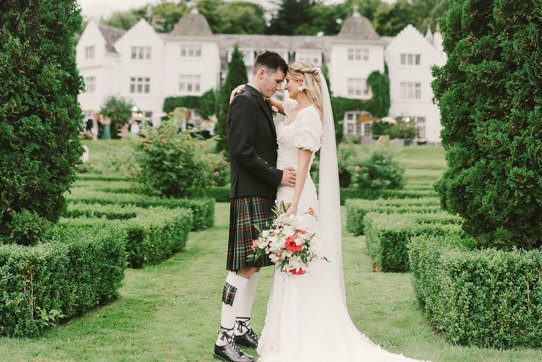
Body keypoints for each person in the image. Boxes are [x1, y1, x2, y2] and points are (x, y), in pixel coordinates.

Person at [231, 62, 420, 361]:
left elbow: (304, 164)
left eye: (289, 82)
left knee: (300, 264)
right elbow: (272, 100)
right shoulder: (294, 108)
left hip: (297, 195)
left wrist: (294, 204)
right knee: (285, 266)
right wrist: (245, 90)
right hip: (281, 191)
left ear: (302, 83)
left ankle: (304, 334)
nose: (284, 87)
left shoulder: (310, 116)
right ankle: (284, 333)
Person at [214, 51, 296, 362]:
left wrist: (272, 101)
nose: (279, 86)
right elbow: (240, 151)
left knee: (255, 262)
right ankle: (223, 339)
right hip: (249, 193)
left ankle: (240, 328)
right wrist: (277, 176)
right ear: (261, 73)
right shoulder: (245, 101)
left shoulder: (254, 98)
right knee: (242, 267)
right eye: (277, 80)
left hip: (259, 194)